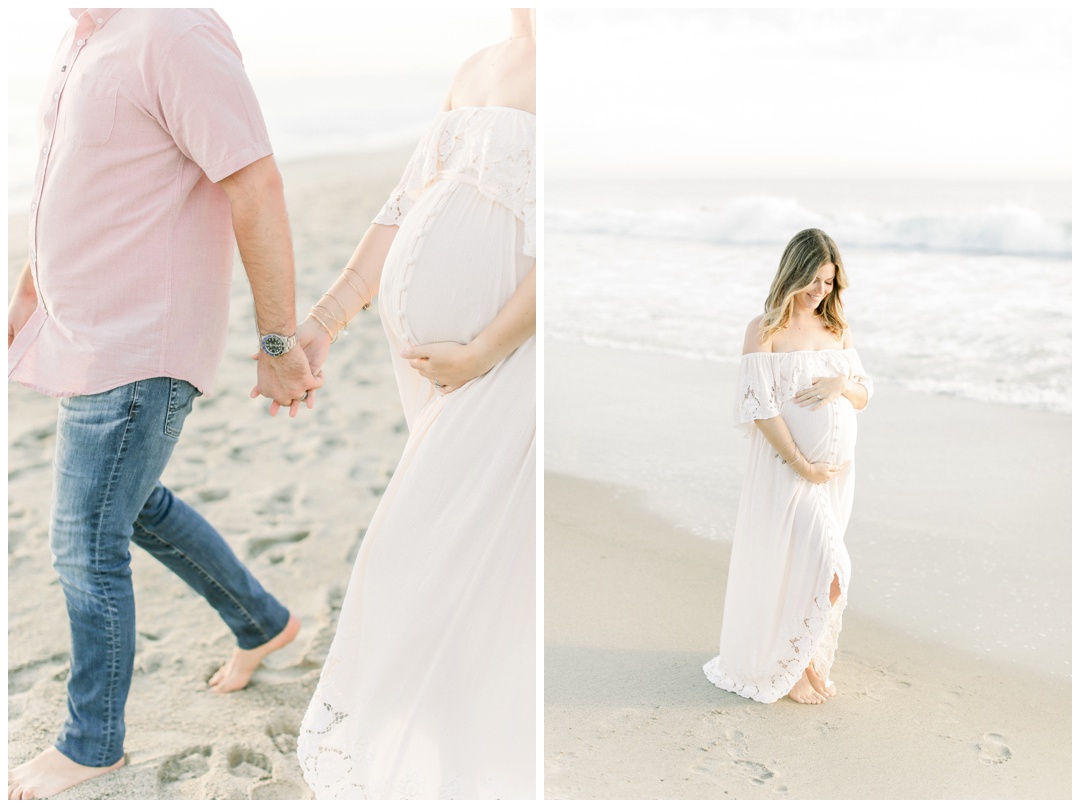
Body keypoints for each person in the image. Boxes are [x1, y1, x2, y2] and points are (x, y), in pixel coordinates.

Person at [6, 9, 318, 800]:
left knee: (83, 537)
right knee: (127, 503)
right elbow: (69, 179)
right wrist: (28, 293)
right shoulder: (84, 37)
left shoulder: (171, 28)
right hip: (85, 330)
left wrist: (278, 344)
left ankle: (91, 743)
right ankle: (264, 623)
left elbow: (254, 179)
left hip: (139, 338)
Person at [293, 9, 536, 799]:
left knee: (420, 550)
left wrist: (486, 348)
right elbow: (401, 210)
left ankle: (456, 760)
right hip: (441, 376)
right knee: (458, 553)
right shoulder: (477, 65)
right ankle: (446, 749)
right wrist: (326, 319)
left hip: (509, 363)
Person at [703, 228, 872, 705]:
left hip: (835, 477)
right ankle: (789, 668)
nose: (819, 292)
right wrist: (802, 464)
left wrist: (841, 385)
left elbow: (863, 395)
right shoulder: (765, 329)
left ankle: (800, 660)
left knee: (808, 568)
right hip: (787, 468)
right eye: (812, 280)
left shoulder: (837, 329)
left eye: (827, 282)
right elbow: (758, 405)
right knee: (827, 569)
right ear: (791, 273)